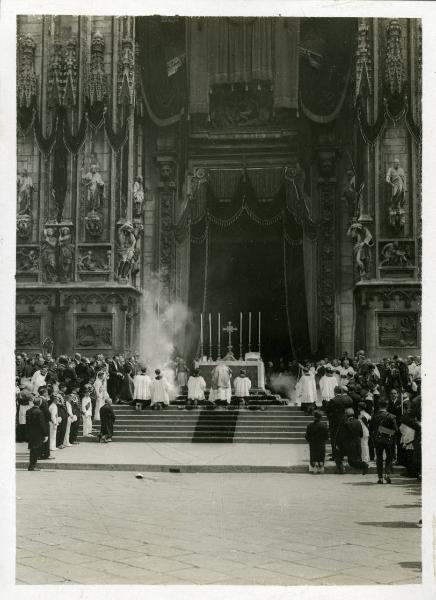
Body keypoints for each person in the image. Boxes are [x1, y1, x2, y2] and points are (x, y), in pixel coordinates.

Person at [370, 398, 398, 484]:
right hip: (389, 440)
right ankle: (387, 474)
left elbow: (370, 428)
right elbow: (396, 430)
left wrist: (379, 430)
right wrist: (387, 432)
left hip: (378, 439)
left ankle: (380, 477)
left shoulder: (374, 416)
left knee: (379, 458)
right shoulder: (391, 416)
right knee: (389, 457)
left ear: (379, 406)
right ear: (387, 406)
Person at [335, 408, 369, 475]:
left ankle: (364, 465)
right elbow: (361, 434)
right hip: (357, 444)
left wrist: (338, 444)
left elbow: (341, 435)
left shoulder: (345, 424)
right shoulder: (358, 422)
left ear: (346, 415)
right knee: (352, 460)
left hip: (348, 445)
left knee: (345, 459)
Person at [26, 396, 48, 471]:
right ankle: (32, 466)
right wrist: (45, 434)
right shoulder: (40, 412)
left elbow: (27, 423)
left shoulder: (28, 411)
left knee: (32, 450)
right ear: (40, 403)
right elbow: (42, 424)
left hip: (30, 433)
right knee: (36, 450)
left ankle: (31, 465)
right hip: (38, 434)